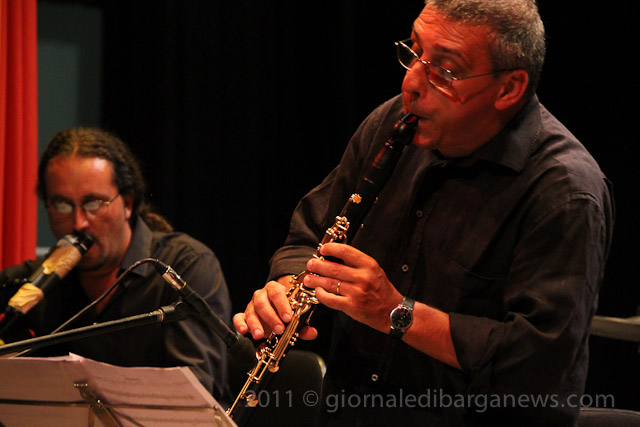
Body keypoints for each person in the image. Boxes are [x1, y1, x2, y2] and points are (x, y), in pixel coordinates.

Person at [233, 0, 614, 425]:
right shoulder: (390, 124)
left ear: (509, 89)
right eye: (414, 52)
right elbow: (310, 233)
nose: (411, 83)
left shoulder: (565, 193)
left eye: (445, 70)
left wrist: (397, 313)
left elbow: (538, 361)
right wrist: (287, 286)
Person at [0, 128, 232, 403]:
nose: (78, 223)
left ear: (128, 204)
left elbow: (198, 391)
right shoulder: (40, 282)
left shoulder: (185, 266)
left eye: (94, 203)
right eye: (62, 205)